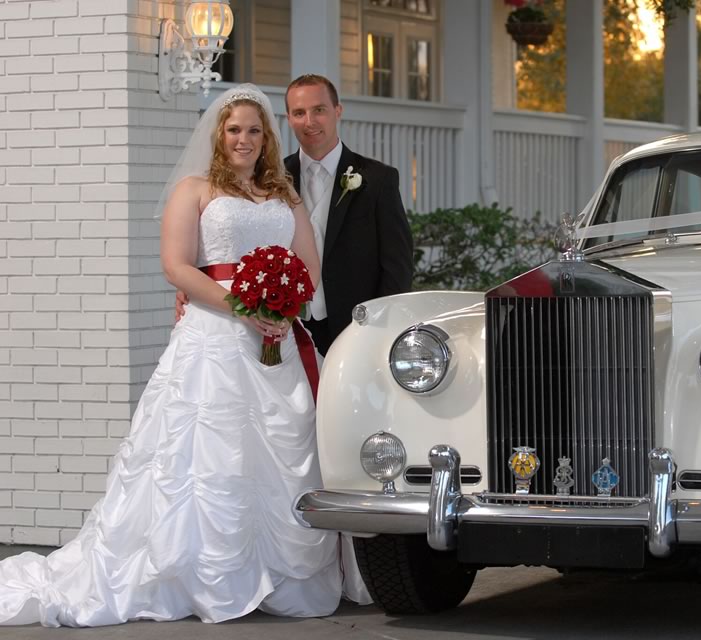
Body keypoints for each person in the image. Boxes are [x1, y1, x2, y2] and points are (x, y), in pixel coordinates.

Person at [0, 84, 370, 627]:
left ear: (266, 138)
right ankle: (195, 575)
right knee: (203, 458)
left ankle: (277, 574)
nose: (244, 139)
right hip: (214, 341)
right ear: (219, 136)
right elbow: (177, 267)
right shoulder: (194, 190)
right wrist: (246, 310)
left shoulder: (285, 195)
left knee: (279, 452)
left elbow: (309, 266)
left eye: (253, 130)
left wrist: (283, 307)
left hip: (276, 341)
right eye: (233, 129)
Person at [283, 74, 414, 357]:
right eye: (299, 113)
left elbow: (398, 264)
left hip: (357, 327)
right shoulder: (274, 179)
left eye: (319, 110)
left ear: (337, 111)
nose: (310, 121)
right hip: (289, 326)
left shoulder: (377, 179)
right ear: (289, 118)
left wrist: (380, 326)